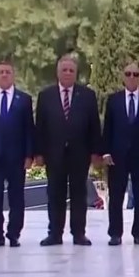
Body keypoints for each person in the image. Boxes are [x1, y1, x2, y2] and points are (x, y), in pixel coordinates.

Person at [34, 55, 102, 246]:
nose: (67, 73)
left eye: (71, 70)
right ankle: (55, 233)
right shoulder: (45, 96)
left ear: (76, 73)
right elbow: (40, 127)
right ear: (58, 72)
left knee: (79, 194)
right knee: (55, 194)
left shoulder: (87, 96)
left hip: (79, 154)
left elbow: (94, 126)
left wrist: (96, 152)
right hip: (54, 154)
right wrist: (38, 153)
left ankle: (79, 233)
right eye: (64, 70)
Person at [101, 61, 139, 246]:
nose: (132, 77)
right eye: (128, 74)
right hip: (117, 156)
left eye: (135, 74)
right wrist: (105, 152)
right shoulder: (114, 100)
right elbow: (108, 128)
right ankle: (115, 233)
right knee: (116, 197)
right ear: (123, 77)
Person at [0, 60, 35, 247]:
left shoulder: (24, 100)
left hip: (16, 157)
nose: (4, 75)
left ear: (13, 75)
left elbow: (29, 129)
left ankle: (14, 234)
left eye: (7, 72)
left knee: (16, 198)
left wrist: (29, 155)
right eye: (1, 72)